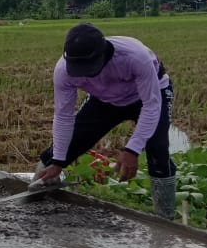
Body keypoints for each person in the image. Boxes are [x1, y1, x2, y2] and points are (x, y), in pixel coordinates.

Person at [33, 23, 177, 219]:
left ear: (103, 55)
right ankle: (38, 192)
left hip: (149, 95)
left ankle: (165, 218)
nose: (84, 73)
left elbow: (151, 106)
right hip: (103, 100)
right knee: (68, 145)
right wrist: (58, 160)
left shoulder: (134, 57)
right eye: (79, 69)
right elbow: (63, 116)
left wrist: (132, 149)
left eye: (89, 68)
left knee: (158, 150)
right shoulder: (63, 71)